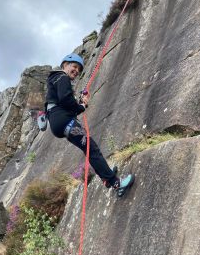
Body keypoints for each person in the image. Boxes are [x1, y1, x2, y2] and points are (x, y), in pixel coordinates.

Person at [45, 53, 134, 197]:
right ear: (65, 65)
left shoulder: (55, 79)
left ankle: (106, 177)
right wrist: (82, 105)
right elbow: (66, 100)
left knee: (89, 149)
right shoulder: (61, 77)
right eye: (74, 66)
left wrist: (79, 104)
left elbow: (65, 102)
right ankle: (116, 183)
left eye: (79, 70)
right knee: (92, 149)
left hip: (60, 122)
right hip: (64, 121)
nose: (76, 71)